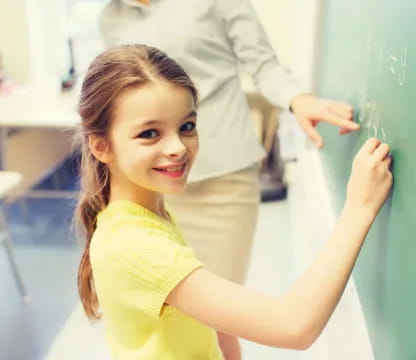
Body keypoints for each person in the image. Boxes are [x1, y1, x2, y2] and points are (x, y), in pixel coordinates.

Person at [76, 44, 393, 360]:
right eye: (149, 134)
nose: (178, 148)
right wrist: (359, 208)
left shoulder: (145, 212)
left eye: (187, 126)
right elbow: (292, 325)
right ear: (101, 146)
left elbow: (196, 318)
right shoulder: (135, 245)